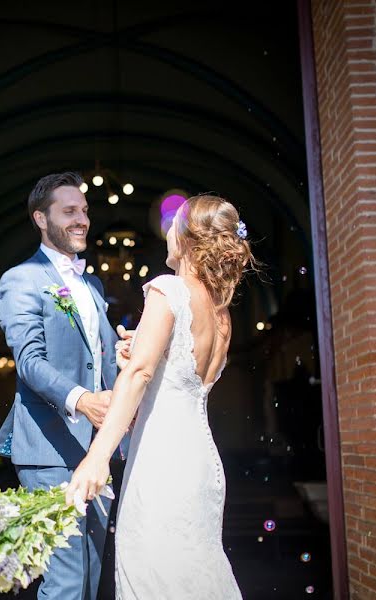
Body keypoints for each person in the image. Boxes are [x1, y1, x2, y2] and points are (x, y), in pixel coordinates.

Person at [66, 195, 256, 599]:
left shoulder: (168, 288)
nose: (166, 232)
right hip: (201, 462)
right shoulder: (222, 316)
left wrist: (97, 457)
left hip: (162, 459)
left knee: (153, 575)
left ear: (187, 237)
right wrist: (143, 349)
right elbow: (174, 372)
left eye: (172, 225)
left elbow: (140, 373)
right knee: (193, 572)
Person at [0, 172, 129, 599]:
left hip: (97, 450)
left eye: (84, 211)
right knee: (66, 580)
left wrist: (123, 354)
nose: (82, 219)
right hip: (50, 449)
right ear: (41, 218)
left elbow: (101, 358)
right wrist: (83, 400)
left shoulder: (92, 284)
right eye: (69, 211)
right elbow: (29, 363)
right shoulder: (21, 279)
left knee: (90, 576)